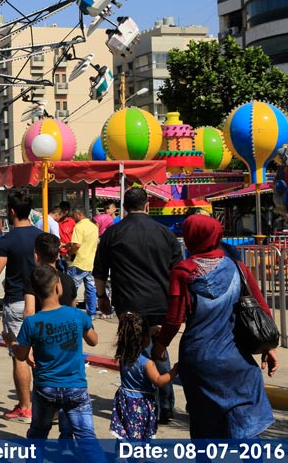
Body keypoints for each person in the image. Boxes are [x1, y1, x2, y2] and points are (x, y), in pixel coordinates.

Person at [153, 214, 278, 438]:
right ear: (217, 235)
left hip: (199, 361)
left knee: (203, 427)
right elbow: (261, 309)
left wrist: (160, 345)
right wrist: (268, 347)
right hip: (237, 361)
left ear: (190, 237)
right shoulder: (238, 268)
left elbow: (173, 318)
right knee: (247, 430)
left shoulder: (182, 272)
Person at [94, 187, 182, 424]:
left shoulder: (113, 233)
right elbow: (178, 270)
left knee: (131, 352)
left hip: (128, 304)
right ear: (146, 205)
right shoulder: (165, 233)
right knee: (159, 350)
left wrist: (102, 297)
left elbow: (100, 271)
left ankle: (136, 404)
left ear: (123, 207)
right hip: (160, 303)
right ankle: (165, 406)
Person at [15, 265, 103, 458]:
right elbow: (94, 340)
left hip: (46, 388)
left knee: (38, 434)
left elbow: (21, 355)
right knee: (86, 436)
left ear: (35, 293)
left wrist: (13, 343)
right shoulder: (78, 315)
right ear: (58, 287)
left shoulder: (31, 322)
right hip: (76, 387)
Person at [0, 192, 43, 420]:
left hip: (17, 301)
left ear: (11, 211)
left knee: (20, 355)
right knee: (42, 354)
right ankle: (45, 404)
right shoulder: (42, 237)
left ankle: (25, 406)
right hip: (42, 301)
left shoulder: (7, 241)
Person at [112, 312, 180, 439]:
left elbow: (135, 335)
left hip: (124, 401)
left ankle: (121, 456)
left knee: (126, 434)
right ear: (143, 338)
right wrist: (174, 371)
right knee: (140, 437)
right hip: (140, 404)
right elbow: (159, 381)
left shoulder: (124, 356)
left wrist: (148, 331)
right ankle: (140, 458)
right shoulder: (147, 363)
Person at [24, 232, 77, 311]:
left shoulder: (33, 279)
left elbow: (29, 311)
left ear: (36, 256)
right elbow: (73, 309)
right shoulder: (68, 280)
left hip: (40, 322)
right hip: (64, 323)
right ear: (58, 255)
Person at [65, 207, 99, 318]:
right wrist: (68, 244)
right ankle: (92, 313)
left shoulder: (79, 227)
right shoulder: (93, 226)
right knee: (91, 289)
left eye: (74, 214)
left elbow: (77, 245)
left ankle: (70, 312)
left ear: (79, 214)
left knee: (70, 289)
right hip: (91, 262)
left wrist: (68, 253)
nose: (72, 217)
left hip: (79, 262)